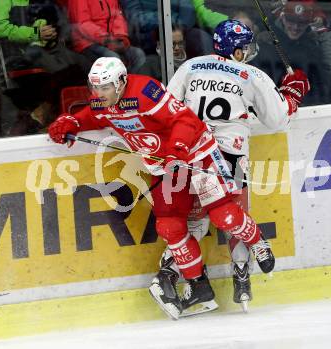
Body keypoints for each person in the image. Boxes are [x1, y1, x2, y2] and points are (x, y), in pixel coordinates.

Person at [46, 54, 306, 319]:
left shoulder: (145, 92)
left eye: (105, 87)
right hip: (166, 166)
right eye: (95, 87)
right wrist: (73, 122)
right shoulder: (103, 101)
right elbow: (94, 115)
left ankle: (256, 240)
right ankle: (198, 287)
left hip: (196, 153)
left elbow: (183, 120)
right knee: (169, 226)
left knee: (222, 214)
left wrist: (178, 149)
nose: (99, 93)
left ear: (122, 81)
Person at [151, 19, 310, 314]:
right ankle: (241, 276)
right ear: (237, 51)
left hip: (190, 152)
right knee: (233, 216)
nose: (247, 52)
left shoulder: (191, 66)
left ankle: (179, 277)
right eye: (245, 47)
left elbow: (168, 108)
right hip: (229, 156)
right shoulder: (252, 75)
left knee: (193, 221)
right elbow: (278, 120)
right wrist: (293, 93)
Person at [0, 0, 89, 134]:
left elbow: (52, 23)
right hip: (20, 53)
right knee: (66, 69)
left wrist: (51, 32)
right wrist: (35, 33)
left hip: (44, 48)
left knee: (83, 64)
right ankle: (43, 113)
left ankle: (45, 112)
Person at [252, 1, 330, 106]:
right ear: (283, 18)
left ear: (308, 23)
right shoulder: (266, 43)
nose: (295, 27)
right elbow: (256, 85)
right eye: (291, 21)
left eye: (301, 23)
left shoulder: (314, 50)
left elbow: (320, 89)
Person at [66, 0, 146, 73]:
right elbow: (82, 24)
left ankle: (132, 85)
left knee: (138, 54)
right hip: (87, 42)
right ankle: (117, 87)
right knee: (113, 59)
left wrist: (120, 37)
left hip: (111, 39)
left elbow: (117, 16)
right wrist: (106, 39)